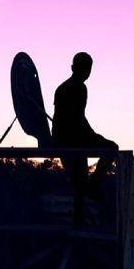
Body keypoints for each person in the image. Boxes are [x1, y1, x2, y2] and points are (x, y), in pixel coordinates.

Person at [52, 52, 118, 224]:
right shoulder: (77, 88)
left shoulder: (66, 87)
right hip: (71, 137)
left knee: (78, 179)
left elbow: (71, 119)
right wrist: (94, 137)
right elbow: (76, 119)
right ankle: (93, 185)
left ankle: (80, 216)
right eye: (86, 69)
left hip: (65, 137)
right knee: (111, 148)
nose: (86, 73)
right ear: (76, 68)